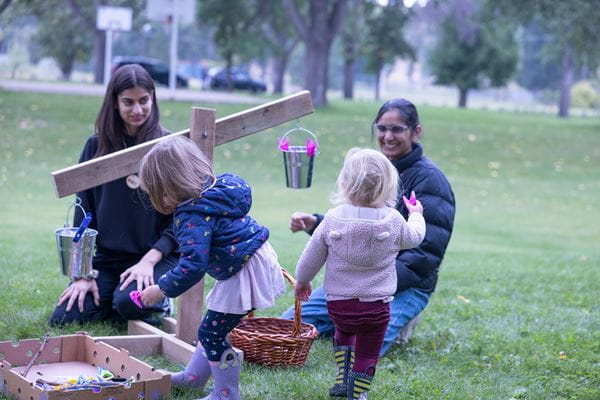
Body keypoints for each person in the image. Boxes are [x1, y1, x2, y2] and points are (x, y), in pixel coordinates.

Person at [284, 98, 456, 358]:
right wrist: (316, 223)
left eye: (397, 129)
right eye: (382, 129)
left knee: (360, 353)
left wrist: (372, 287)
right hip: (353, 283)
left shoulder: (430, 181)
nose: (388, 136)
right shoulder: (369, 168)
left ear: (416, 132)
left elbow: (425, 253)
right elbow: (356, 223)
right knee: (287, 327)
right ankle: (342, 322)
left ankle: (402, 319)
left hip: (400, 286)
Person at [138, 135, 285, 400]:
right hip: (250, 259)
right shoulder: (220, 190)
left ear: (168, 187)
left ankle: (226, 394)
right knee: (212, 328)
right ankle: (194, 378)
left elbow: (193, 265)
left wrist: (160, 289)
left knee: (211, 332)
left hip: (243, 269)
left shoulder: (191, 216)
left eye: (156, 192)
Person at [49, 64, 178, 326]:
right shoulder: (95, 147)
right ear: (114, 103)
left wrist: (149, 261)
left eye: (144, 101)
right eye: (128, 102)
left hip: (156, 257)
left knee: (128, 303)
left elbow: (181, 220)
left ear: (153, 99)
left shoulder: (168, 147)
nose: (137, 110)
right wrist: (83, 274)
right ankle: (114, 297)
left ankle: (161, 298)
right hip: (108, 261)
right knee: (64, 318)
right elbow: (82, 215)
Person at [294, 148, 426, 399]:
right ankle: (358, 393)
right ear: (389, 187)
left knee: (343, 334)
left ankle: (343, 379)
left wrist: (302, 282)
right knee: (367, 353)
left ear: (344, 182)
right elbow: (415, 238)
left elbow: (309, 259)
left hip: (339, 305)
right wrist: (416, 214)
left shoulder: (332, 220)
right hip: (376, 307)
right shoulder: (394, 220)